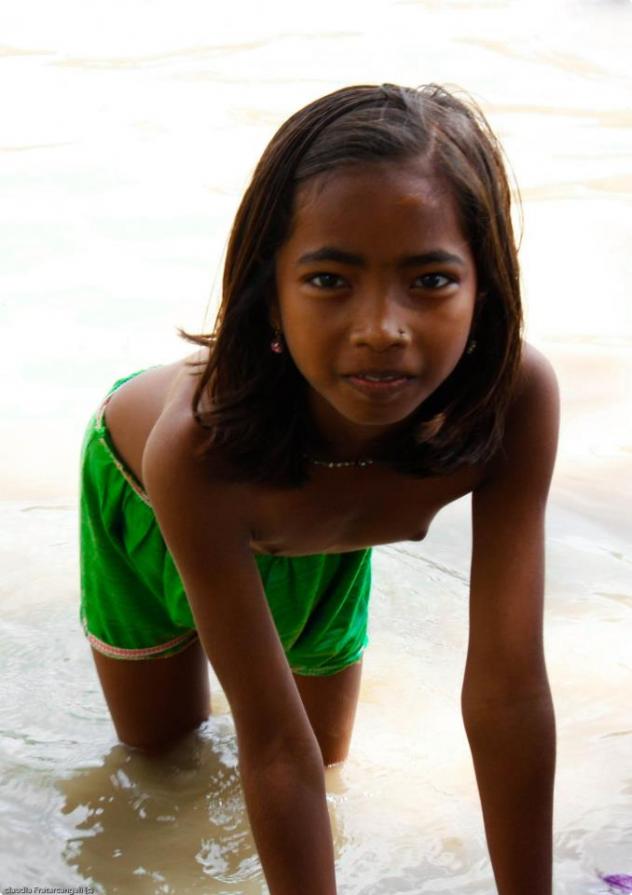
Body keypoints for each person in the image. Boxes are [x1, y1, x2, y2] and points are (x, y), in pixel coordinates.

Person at [79, 83, 559, 895]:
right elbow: (271, 748)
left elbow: (509, 691)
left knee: (327, 762)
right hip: (157, 509)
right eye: (331, 280)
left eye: (431, 280)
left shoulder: (514, 402)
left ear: (487, 288)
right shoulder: (198, 447)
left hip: (325, 523)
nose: (382, 327)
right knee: (164, 764)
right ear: (271, 289)